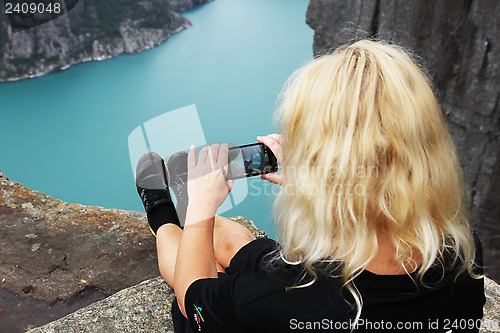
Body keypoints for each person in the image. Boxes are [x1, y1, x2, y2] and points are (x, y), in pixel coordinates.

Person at [135, 40, 485, 332]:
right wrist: (312, 183)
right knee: (230, 237)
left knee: (195, 252)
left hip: (294, 294)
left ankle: (161, 212)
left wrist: (200, 210)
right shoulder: (462, 251)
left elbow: (193, 300)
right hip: (345, 267)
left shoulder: (279, 295)